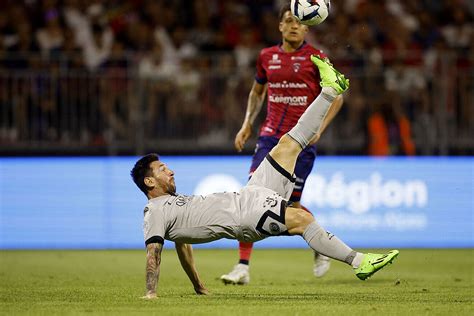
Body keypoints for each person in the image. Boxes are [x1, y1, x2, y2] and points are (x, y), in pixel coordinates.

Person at [131, 55, 399, 299]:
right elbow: (154, 252)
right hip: (245, 217)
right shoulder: (154, 212)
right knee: (302, 219)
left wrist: (198, 286)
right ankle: (359, 262)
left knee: (287, 145)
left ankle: (330, 90)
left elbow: (183, 248)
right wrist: (150, 292)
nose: (171, 170)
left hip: (248, 194)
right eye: (163, 169)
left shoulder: (173, 208)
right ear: (149, 182)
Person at [221, 5, 344, 284]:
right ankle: (242, 266)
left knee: (291, 205)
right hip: (270, 137)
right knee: (251, 198)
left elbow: (337, 96)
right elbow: (257, 92)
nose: (293, 26)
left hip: (301, 142)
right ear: (279, 26)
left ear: (307, 28)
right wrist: (246, 123)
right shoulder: (267, 56)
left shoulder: (317, 58)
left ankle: (320, 243)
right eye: (288, 21)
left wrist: (319, 129)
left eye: (298, 22)